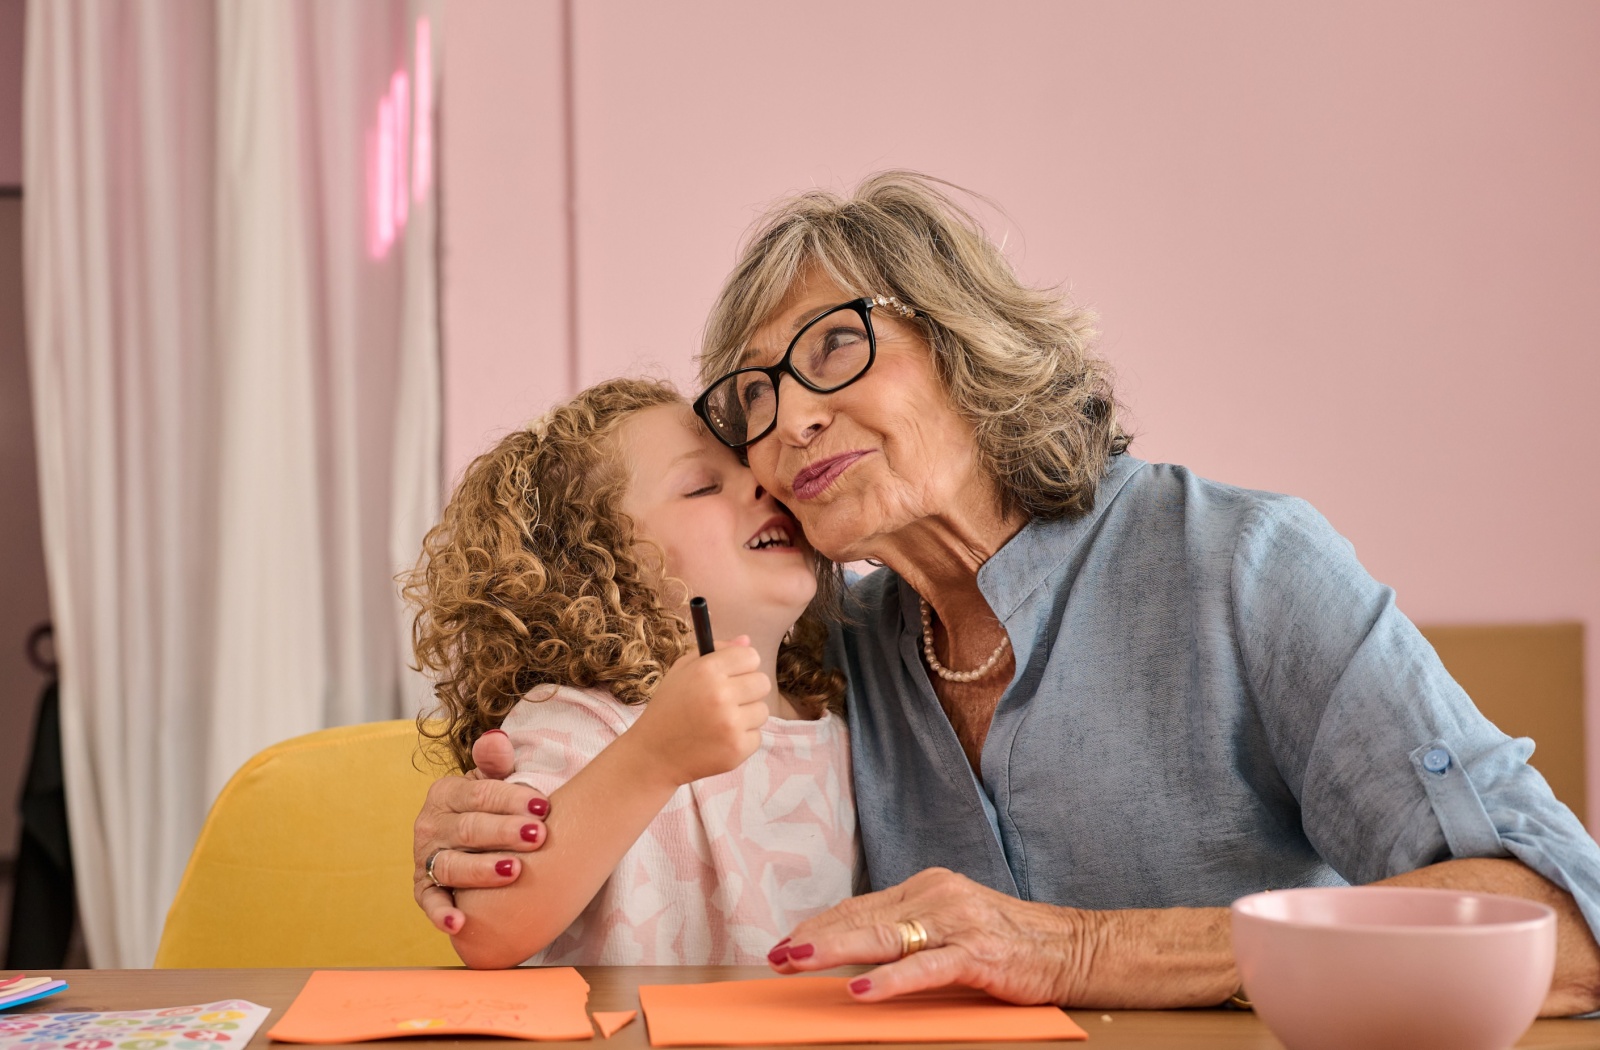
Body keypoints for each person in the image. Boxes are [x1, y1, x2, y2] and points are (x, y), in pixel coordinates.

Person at [411, 173, 1600, 1014]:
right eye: (750, 401)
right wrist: (465, 837)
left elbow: (1561, 931)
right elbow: (612, 743)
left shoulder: (1246, 569)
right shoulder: (824, 662)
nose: (791, 421)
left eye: (831, 348)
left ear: (969, 340)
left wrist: (1079, 951)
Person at [401, 378, 856, 967]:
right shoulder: (581, 724)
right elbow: (487, 929)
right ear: (596, 567)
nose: (765, 481)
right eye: (701, 486)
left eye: (746, 463)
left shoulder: (836, 724)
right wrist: (654, 759)